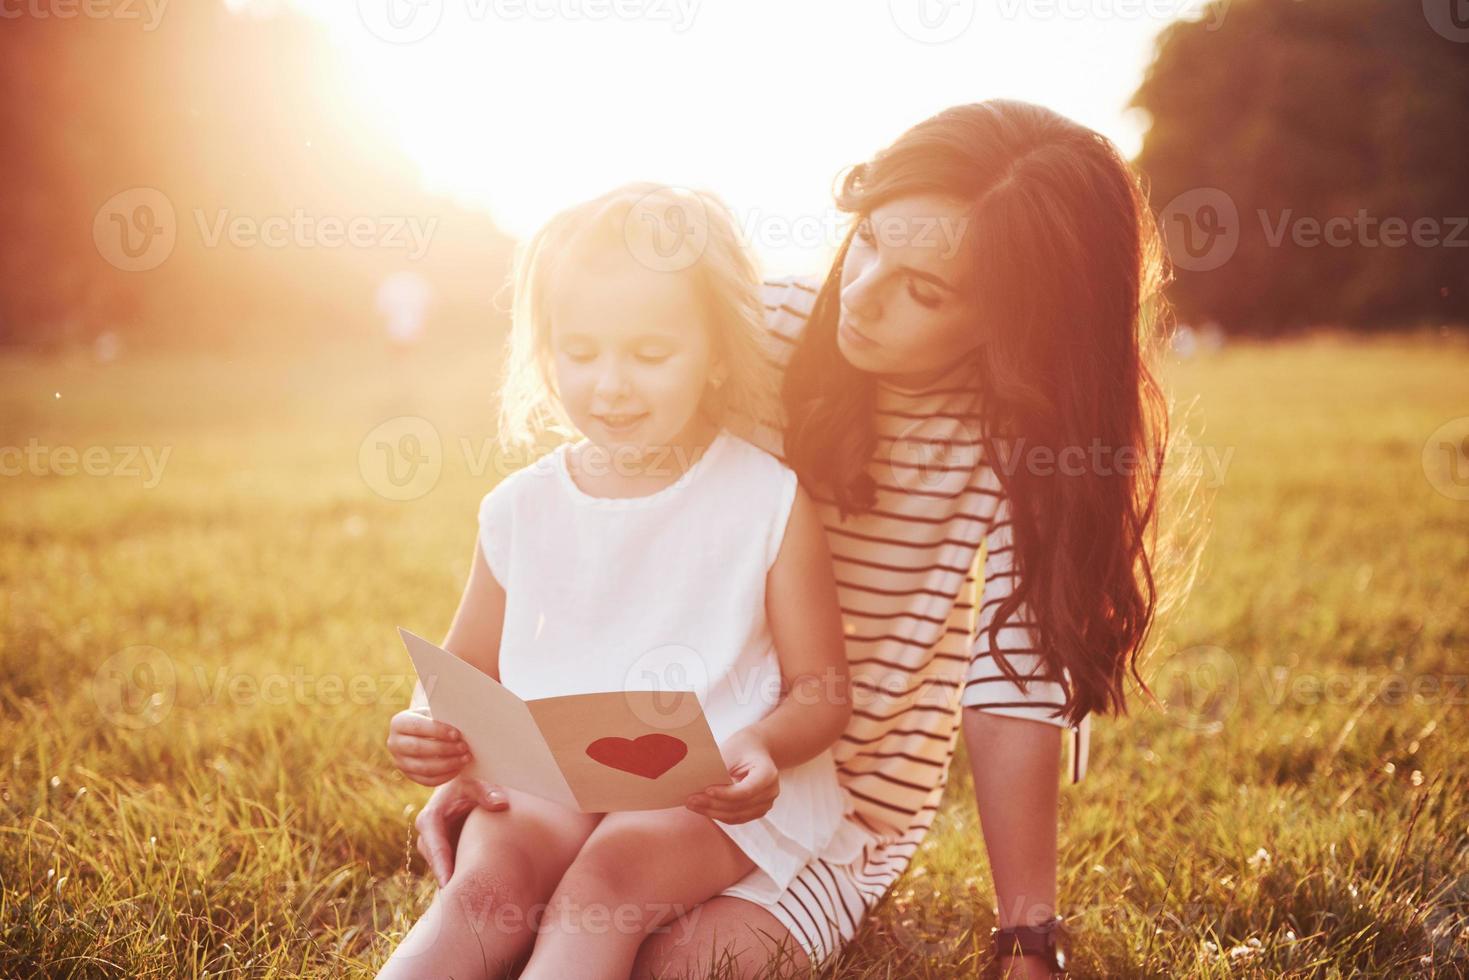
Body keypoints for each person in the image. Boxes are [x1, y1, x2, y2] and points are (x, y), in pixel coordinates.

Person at [396, 100, 1195, 980]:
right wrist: (469, 749)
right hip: (631, 775)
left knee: (681, 962)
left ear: (1017, 320)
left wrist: (1026, 933)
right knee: (523, 905)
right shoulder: (747, 331)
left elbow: (1012, 685)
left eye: (923, 291)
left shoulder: (1029, 440)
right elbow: (596, 522)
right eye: (868, 242)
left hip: (831, 800)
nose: (858, 295)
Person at [380, 182, 871, 980]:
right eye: (580, 353)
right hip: (548, 780)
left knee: (599, 889)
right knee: (483, 896)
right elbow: (464, 665)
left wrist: (761, 745)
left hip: (701, 786)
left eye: (648, 355)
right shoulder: (519, 507)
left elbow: (822, 687)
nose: (609, 385)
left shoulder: (765, 500)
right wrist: (424, 719)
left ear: (715, 357)